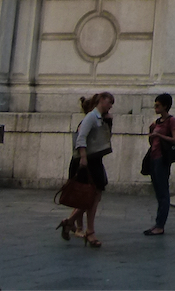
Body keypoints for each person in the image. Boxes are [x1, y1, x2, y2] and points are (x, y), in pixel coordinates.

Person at [58, 91, 114, 247]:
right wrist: (83, 157)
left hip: (95, 160)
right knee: (91, 196)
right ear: (101, 101)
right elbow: (81, 137)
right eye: (109, 102)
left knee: (94, 196)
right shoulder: (91, 117)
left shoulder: (100, 119)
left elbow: (105, 140)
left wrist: (109, 123)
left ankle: (71, 223)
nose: (110, 106)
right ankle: (88, 230)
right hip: (87, 161)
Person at [143, 92, 175, 235]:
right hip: (153, 156)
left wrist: (159, 135)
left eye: (158, 105)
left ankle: (160, 225)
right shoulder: (157, 122)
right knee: (157, 191)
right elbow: (152, 142)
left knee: (163, 191)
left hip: (162, 159)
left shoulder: (172, 121)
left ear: (165, 106)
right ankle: (158, 223)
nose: (155, 107)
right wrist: (152, 132)